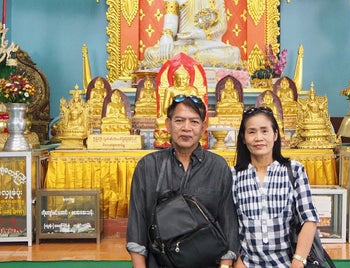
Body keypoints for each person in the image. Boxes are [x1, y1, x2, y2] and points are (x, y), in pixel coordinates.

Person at [127, 95, 239, 268]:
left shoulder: (217, 166)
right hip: (159, 262)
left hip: (207, 262)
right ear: (168, 125)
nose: (186, 128)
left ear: (204, 127)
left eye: (194, 122)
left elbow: (228, 220)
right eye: (179, 120)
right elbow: (137, 221)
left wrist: (225, 265)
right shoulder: (148, 166)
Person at [231, 106, 319, 267]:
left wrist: (298, 261)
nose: (259, 138)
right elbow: (228, 223)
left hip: (286, 263)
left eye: (265, 131)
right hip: (247, 264)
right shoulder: (234, 176)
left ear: (275, 135)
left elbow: (310, 219)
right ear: (243, 138)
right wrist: (237, 261)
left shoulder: (294, 170)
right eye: (252, 132)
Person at [141, 0, 243, 69]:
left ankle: (184, 59)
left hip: (206, 44)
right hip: (183, 43)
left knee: (233, 53)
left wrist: (201, 34)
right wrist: (166, 36)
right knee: (151, 54)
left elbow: (221, 25)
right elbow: (170, 22)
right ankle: (187, 58)